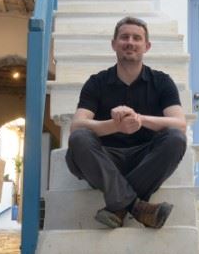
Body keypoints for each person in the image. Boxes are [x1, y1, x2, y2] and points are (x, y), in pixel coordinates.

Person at [66, 16, 187, 229]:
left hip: (145, 160)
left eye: (136, 38)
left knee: (176, 138)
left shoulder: (161, 81)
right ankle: (139, 208)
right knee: (79, 139)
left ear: (146, 46)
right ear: (114, 44)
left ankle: (119, 206)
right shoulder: (97, 82)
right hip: (105, 159)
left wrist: (139, 119)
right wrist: (115, 126)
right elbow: (77, 125)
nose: (130, 42)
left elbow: (179, 123)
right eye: (124, 37)